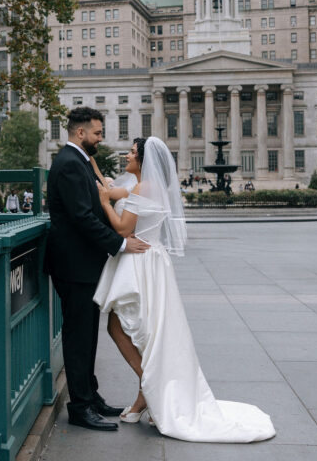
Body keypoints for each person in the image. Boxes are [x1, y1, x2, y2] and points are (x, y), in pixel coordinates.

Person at [94, 136, 275, 443]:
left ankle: (148, 389)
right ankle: (148, 389)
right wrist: (99, 174)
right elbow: (116, 190)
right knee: (141, 331)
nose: (126, 156)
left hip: (141, 262)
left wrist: (103, 203)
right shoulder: (143, 186)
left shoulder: (143, 188)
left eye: (131, 153)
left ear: (143, 161)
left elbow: (123, 228)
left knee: (122, 326)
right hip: (150, 262)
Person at [44, 107, 150, 432]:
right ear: (81, 133)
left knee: (87, 335)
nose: (100, 139)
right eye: (98, 133)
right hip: (73, 266)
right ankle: (79, 407)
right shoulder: (69, 165)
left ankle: (91, 397)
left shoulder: (80, 162)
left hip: (84, 265)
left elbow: (96, 208)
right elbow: (82, 217)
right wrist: (119, 244)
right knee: (78, 338)